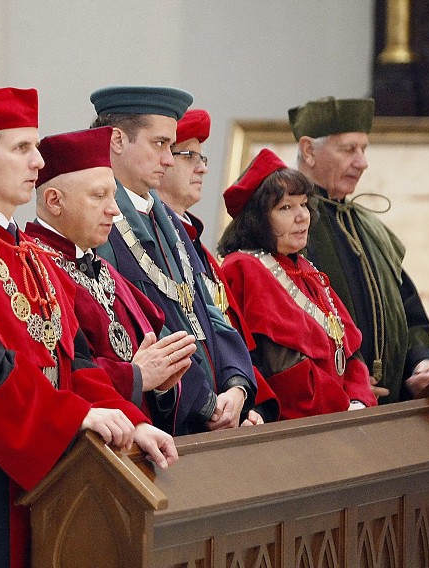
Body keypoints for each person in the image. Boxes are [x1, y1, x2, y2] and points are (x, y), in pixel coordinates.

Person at [0, 87, 178, 568]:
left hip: (33, 470)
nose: (38, 161)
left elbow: (74, 361)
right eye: (21, 148)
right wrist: (73, 417)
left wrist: (132, 420)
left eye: (35, 146)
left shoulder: (26, 250)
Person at [89, 86, 257, 434]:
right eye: (159, 144)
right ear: (117, 140)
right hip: (166, 419)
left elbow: (211, 310)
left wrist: (237, 386)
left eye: (170, 146)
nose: (169, 158)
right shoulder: (100, 223)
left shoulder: (167, 218)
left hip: (215, 411)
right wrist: (208, 403)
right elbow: (132, 324)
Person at [24, 126, 197, 429]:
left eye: (114, 195)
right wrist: (136, 376)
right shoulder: (32, 269)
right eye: (98, 196)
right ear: (54, 201)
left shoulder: (103, 268)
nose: (114, 210)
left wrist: (162, 383)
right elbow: (60, 372)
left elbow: (151, 352)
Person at [291, 96, 429, 403]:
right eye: (348, 149)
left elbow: (408, 310)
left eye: (364, 149)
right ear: (308, 150)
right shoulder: (281, 227)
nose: (362, 162)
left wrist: (420, 361)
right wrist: (342, 384)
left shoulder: (371, 229)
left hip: (391, 408)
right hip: (324, 412)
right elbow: (279, 331)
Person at [218, 149, 378, 419]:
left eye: (303, 204)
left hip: (342, 415)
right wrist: (343, 407)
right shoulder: (244, 267)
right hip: (300, 426)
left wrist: (359, 400)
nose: (302, 216)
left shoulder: (304, 268)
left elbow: (350, 352)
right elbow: (286, 372)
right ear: (258, 219)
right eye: (286, 208)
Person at [156, 109, 278, 422]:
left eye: (203, 158)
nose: (202, 168)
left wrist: (245, 397)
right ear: (161, 160)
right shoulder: (150, 242)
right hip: (186, 413)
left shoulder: (202, 253)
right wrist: (215, 405)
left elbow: (228, 333)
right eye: (189, 155)